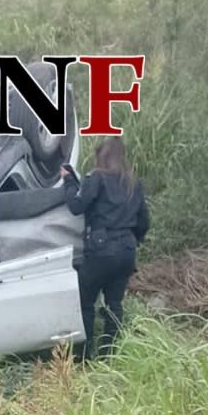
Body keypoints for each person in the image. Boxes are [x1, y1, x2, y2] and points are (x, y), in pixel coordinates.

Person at [62, 137, 150, 361]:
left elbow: (76, 206)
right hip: (127, 251)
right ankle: (109, 355)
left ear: (101, 156)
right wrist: (132, 240)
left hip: (101, 250)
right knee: (114, 303)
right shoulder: (132, 183)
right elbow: (144, 222)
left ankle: (83, 356)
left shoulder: (97, 177)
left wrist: (69, 183)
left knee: (85, 301)